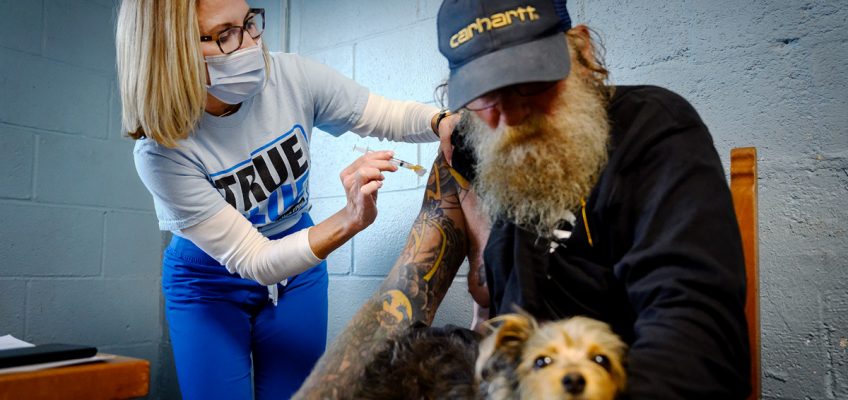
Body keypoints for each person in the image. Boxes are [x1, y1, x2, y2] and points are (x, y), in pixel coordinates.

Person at [114, 1, 457, 399]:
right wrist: (348, 220)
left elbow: (381, 114)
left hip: (299, 268)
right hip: (208, 281)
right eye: (225, 34)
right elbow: (256, 260)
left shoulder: (291, 76)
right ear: (171, 51)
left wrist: (441, 121)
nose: (250, 45)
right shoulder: (161, 152)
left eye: (249, 23)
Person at [437, 0, 752, 398]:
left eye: (530, 82)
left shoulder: (654, 131)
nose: (513, 116)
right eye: (486, 97)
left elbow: (695, 333)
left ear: (581, 52)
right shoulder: (490, 141)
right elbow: (456, 138)